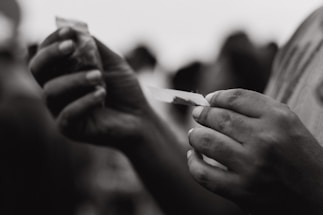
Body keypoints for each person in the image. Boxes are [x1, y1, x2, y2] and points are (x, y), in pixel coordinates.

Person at [30, 6, 323, 215]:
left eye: (220, 63)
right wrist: (138, 124)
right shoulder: (309, 29)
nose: (212, 69)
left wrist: (314, 190)